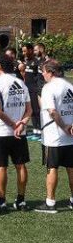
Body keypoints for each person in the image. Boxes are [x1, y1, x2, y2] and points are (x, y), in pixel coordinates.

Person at [0, 56, 32, 212]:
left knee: (1, 166)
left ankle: (1, 201)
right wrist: (22, 124)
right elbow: (29, 110)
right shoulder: (21, 83)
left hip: (1, 131)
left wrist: (13, 125)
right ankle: (21, 201)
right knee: (21, 165)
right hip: (20, 132)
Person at [35, 59, 73, 214]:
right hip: (71, 136)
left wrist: (63, 126)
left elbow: (52, 111)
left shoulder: (48, 88)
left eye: (43, 71)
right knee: (71, 168)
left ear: (50, 72)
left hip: (54, 136)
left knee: (52, 168)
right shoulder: (70, 86)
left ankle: (50, 203)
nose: (42, 74)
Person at [20, 43, 42, 140]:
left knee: (37, 110)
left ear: (30, 50)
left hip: (35, 89)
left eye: (25, 51)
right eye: (22, 51)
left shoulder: (37, 62)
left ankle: (41, 131)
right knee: (31, 110)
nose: (23, 53)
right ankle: (35, 131)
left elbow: (40, 77)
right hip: (27, 89)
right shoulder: (26, 61)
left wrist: (39, 89)